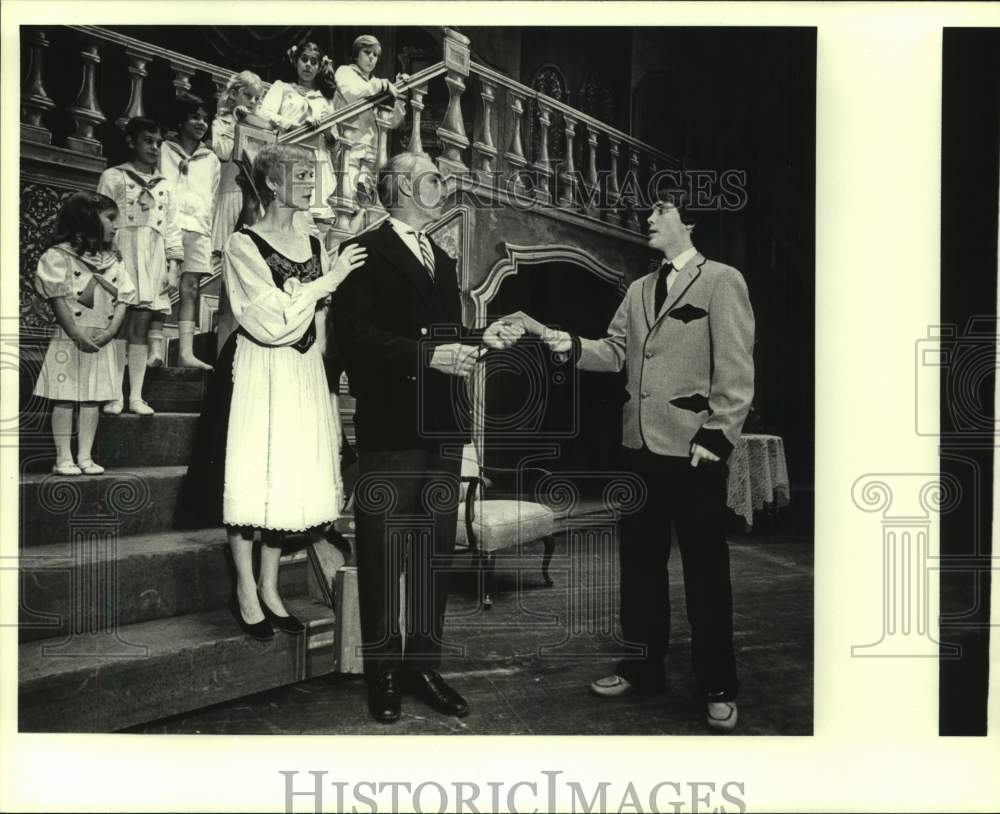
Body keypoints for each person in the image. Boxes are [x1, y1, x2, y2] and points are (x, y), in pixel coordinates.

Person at [540, 190, 755, 733]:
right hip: (638, 450)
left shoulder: (721, 280)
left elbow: (736, 369)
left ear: (690, 222)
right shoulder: (637, 289)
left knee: (706, 576)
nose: (649, 219)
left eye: (660, 212)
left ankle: (718, 685)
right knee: (639, 568)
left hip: (695, 453)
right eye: (650, 212)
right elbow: (614, 352)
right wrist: (564, 343)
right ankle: (643, 669)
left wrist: (718, 436)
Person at [331, 151, 524, 724]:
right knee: (384, 551)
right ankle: (384, 673)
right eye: (434, 177)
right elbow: (355, 338)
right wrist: (427, 353)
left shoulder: (440, 257)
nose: (444, 183)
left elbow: (442, 339)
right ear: (402, 187)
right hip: (390, 428)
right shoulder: (361, 251)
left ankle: (423, 664)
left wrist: (481, 336)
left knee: (433, 555)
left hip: (441, 430)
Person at [220, 142, 367, 639]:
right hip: (263, 368)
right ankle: (244, 587)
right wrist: (328, 281)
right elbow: (267, 320)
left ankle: (270, 586)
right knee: (252, 478)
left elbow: (317, 322)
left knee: (284, 482)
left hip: (302, 372)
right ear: (273, 183)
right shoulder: (243, 244)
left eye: (312, 173)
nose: (310, 182)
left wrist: (326, 383)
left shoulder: (315, 242)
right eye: (300, 174)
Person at [33, 191, 136, 475]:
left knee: (93, 399)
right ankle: (63, 457)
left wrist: (111, 331)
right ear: (88, 219)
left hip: (102, 337)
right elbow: (58, 300)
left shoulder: (113, 260)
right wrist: (76, 334)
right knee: (65, 397)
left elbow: (124, 298)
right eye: (111, 219)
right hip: (72, 337)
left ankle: (85, 456)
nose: (116, 226)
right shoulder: (59, 257)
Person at [97, 116, 183, 414]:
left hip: (153, 256)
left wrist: (172, 265)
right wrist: (106, 257)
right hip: (121, 253)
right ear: (131, 141)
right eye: (148, 141)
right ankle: (114, 395)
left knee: (141, 324)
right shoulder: (113, 176)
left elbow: (172, 227)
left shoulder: (166, 185)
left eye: (159, 143)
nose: (155, 147)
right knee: (118, 325)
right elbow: (101, 219)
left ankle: (135, 395)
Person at [157, 93, 221, 371]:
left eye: (205, 119)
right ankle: (153, 349)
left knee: (191, 288)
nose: (201, 123)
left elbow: (212, 196)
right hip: (166, 225)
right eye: (195, 117)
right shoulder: (163, 150)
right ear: (181, 120)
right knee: (159, 285)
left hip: (198, 228)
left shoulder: (211, 160)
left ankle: (186, 351)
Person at [258, 39, 338, 224]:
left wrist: (326, 131)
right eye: (304, 59)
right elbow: (264, 112)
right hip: (288, 152)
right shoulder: (282, 88)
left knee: (312, 216)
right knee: (285, 207)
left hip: (316, 157)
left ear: (319, 67)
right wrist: (292, 125)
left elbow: (334, 144)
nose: (308, 65)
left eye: (313, 61)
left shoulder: (324, 99)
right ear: (295, 61)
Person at [333, 34, 408, 209]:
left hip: (371, 154)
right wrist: (382, 86)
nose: (372, 58)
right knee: (347, 201)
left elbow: (391, 123)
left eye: (375, 55)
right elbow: (352, 92)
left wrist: (400, 96)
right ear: (356, 53)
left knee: (365, 206)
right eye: (367, 52)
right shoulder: (345, 72)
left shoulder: (376, 83)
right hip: (348, 149)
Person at [211, 70, 265, 260]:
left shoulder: (258, 127)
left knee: (249, 242)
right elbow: (223, 152)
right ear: (234, 94)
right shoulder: (221, 123)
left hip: (252, 189)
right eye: (248, 95)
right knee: (223, 239)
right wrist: (238, 126)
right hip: (230, 187)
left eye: (256, 98)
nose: (252, 102)